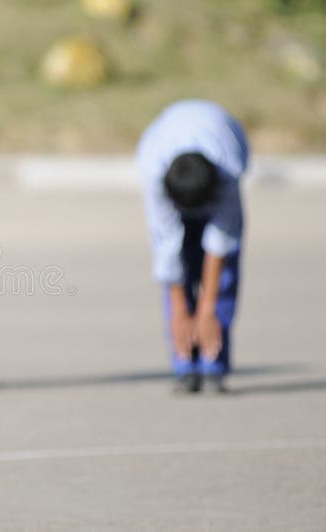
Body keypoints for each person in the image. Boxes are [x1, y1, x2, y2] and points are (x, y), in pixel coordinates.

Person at [137, 100, 249, 393]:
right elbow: (166, 248)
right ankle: (185, 365)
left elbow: (221, 242)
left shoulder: (228, 167)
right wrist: (181, 312)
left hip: (217, 144)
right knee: (179, 278)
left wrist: (208, 309)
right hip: (168, 141)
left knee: (222, 279)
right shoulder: (152, 171)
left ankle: (214, 366)